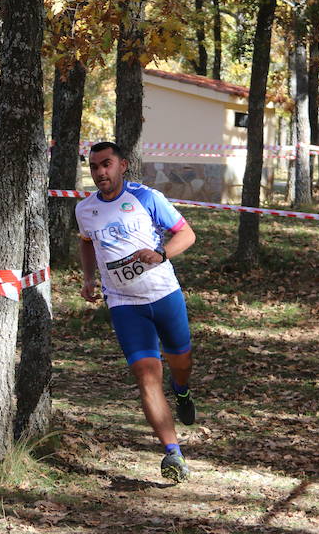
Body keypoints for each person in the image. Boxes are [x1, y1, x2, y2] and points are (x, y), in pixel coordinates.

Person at [74, 141, 198, 483]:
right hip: (124, 304)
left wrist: (161, 254)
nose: (100, 172)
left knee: (181, 364)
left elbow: (187, 234)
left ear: (122, 165)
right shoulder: (85, 209)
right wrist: (88, 278)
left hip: (164, 294)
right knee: (146, 376)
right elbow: (86, 243)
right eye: (95, 166)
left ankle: (183, 390)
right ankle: (173, 453)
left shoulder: (147, 198)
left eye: (107, 164)